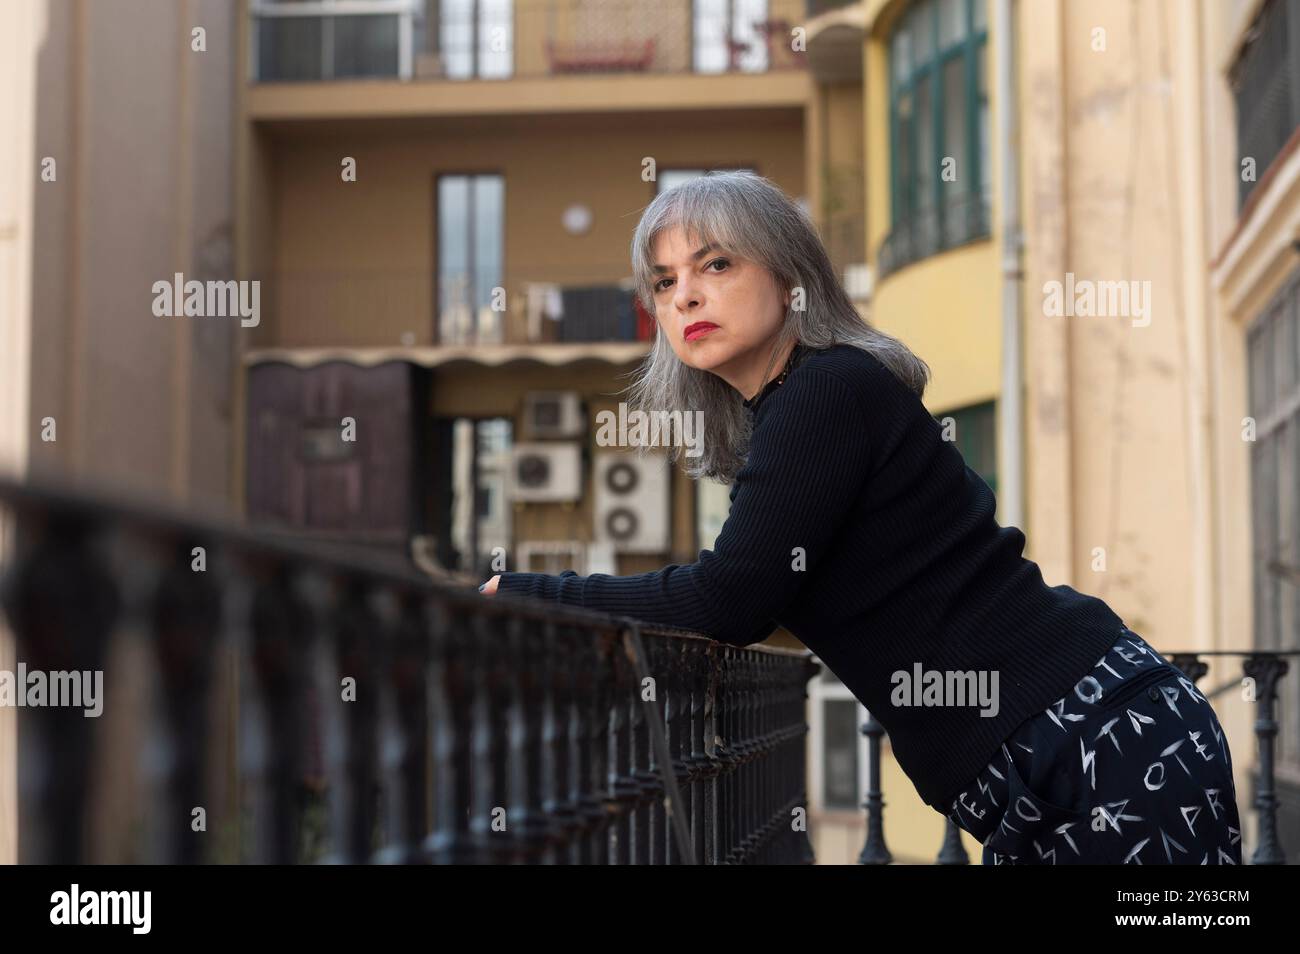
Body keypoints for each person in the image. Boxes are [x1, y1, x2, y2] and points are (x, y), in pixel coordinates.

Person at [480, 171, 1241, 865]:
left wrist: (530, 595)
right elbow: (786, 593)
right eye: (664, 280)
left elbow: (730, 600)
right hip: (1068, 746)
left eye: (716, 265)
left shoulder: (826, 392)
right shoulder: (800, 407)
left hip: (1097, 744)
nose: (684, 297)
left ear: (790, 278)